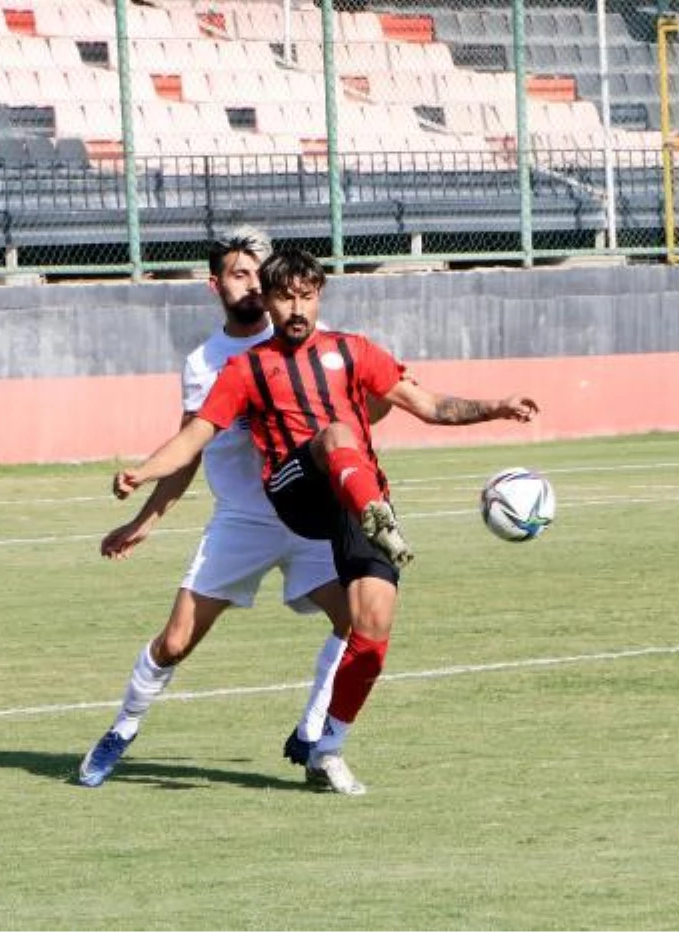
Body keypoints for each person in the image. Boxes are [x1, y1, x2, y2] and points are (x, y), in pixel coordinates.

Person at [114, 247, 539, 795]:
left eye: (306, 297)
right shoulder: (244, 369)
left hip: (352, 497)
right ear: (267, 301)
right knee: (336, 435)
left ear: (319, 298)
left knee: (373, 628)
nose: (296, 308)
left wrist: (497, 406)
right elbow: (195, 437)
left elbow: (428, 404)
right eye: (285, 297)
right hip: (295, 490)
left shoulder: (353, 351)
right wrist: (143, 472)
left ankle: (328, 747)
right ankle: (373, 512)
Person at [78, 228, 357, 788]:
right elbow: (188, 449)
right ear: (215, 285)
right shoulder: (207, 363)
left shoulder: (320, 344)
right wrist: (145, 519)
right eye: (238, 274)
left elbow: (360, 407)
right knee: (176, 641)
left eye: (260, 272)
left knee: (358, 622)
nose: (253, 284)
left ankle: (315, 742)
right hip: (244, 521)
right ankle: (122, 729)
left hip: (310, 521)